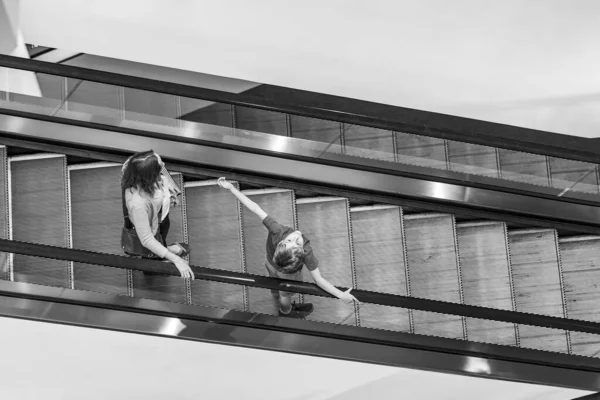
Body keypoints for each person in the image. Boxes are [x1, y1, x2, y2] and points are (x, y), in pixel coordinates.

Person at [217, 177, 358, 318]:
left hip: (271, 262)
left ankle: (276, 293)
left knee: (274, 280)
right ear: (301, 253)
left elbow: (255, 208)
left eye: (293, 240)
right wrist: (340, 295)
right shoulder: (307, 252)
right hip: (289, 274)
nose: (297, 236)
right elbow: (319, 279)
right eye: (296, 242)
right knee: (285, 292)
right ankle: (285, 311)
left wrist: (231, 188)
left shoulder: (278, 231)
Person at [121, 150, 194, 280]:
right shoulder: (138, 204)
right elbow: (147, 240)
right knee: (154, 244)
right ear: (150, 175)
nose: (164, 164)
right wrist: (177, 260)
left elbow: (162, 178)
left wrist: (169, 192)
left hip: (160, 217)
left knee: (163, 234)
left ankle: (164, 249)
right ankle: (152, 268)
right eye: (160, 165)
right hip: (153, 226)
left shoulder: (134, 166)